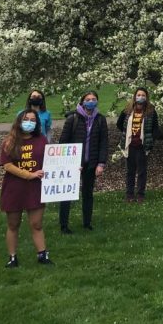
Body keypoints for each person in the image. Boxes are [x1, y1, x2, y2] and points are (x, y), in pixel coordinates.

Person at [0, 110, 51, 267]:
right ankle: (12, 257)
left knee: (36, 224)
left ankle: (42, 255)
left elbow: (53, 160)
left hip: (35, 188)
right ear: (19, 121)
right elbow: (7, 165)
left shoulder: (41, 140)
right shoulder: (10, 141)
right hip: (14, 188)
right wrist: (29, 175)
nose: (29, 122)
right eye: (26, 119)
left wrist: (72, 168)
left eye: (33, 120)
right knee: (13, 224)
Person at [58, 91, 108, 233]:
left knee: (88, 193)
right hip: (73, 164)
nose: (91, 102)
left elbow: (104, 142)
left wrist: (101, 163)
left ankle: (87, 222)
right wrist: (68, 162)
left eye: (93, 99)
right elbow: (63, 142)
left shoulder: (100, 119)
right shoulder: (72, 118)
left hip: (91, 163)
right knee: (67, 194)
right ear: (82, 101)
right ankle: (64, 225)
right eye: (88, 99)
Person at [116, 87, 158, 203]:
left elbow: (155, 129)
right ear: (135, 96)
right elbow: (119, 124)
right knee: (130, 171)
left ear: (146, 97)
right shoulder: (127, 110)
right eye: (139, 95)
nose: (141, 97)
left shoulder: (151, 111)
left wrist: (151, 141)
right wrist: (127, 133)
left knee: (142, 172)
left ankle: (140, 194)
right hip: (130, 145)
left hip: (142, 146)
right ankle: (129, 194)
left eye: (143, 95)